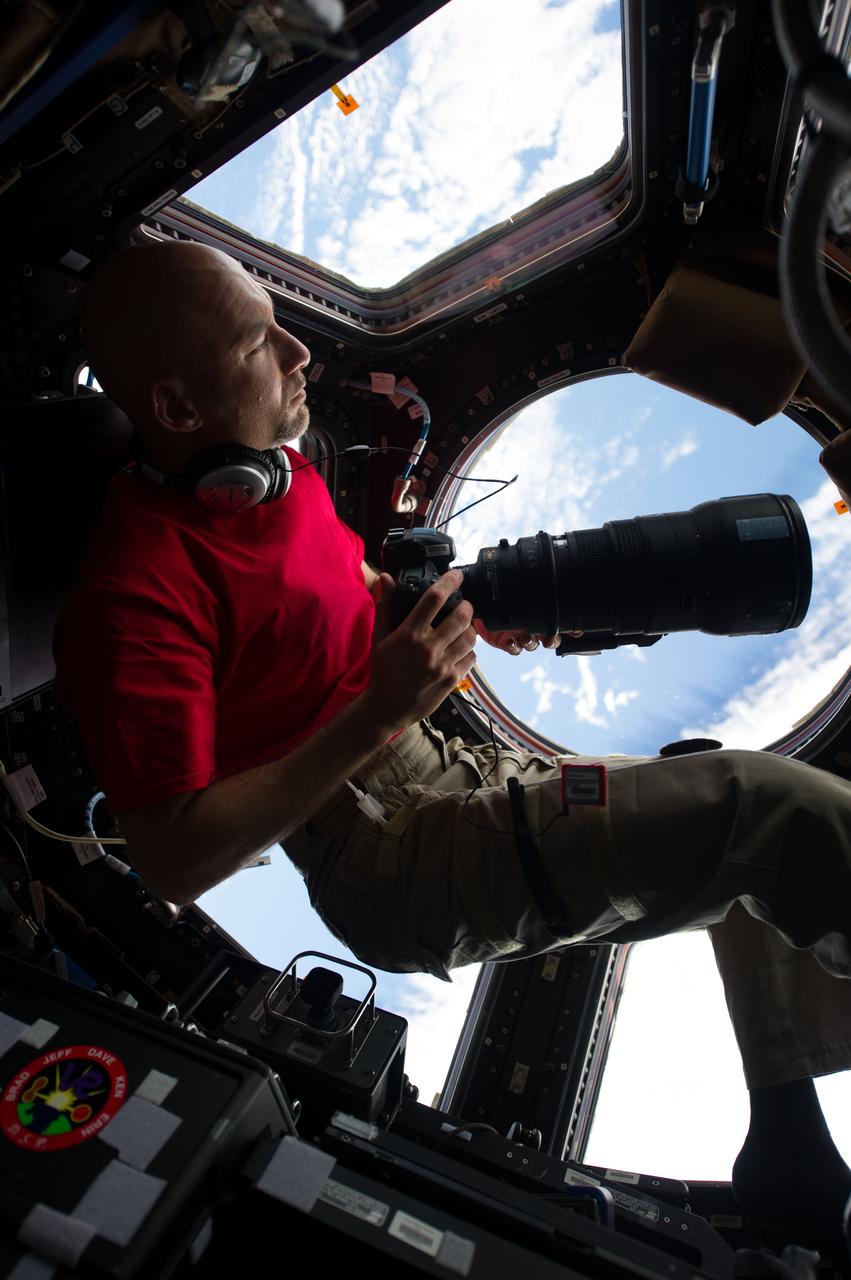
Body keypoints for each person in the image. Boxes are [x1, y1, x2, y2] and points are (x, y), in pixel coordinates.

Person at [54, 240, 851, 1254]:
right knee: (759, 807)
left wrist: (436, 612)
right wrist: (378, 713)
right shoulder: (134, 595)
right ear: (175, 410)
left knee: (708, 781)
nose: (301, 350)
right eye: (262, 340)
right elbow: (169, 857)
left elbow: (335, 608)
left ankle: (786, 1140)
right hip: (384, 850)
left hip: (453, 774)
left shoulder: (279, 477)